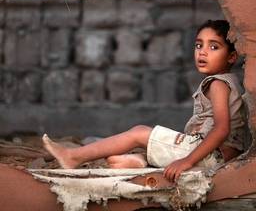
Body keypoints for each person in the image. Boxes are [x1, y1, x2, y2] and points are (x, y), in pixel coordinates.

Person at [43, 20, 246, 182]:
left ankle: (73, 157)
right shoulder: (230, 81)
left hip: (211, 157)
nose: (202, 52)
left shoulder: (217, 84)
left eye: (214, 46)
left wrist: (186, 161)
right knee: (138, 147)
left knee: (140, 132)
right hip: (216, 155)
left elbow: (221, 130)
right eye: (198, 45)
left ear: (231, 57)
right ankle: (138, 161)